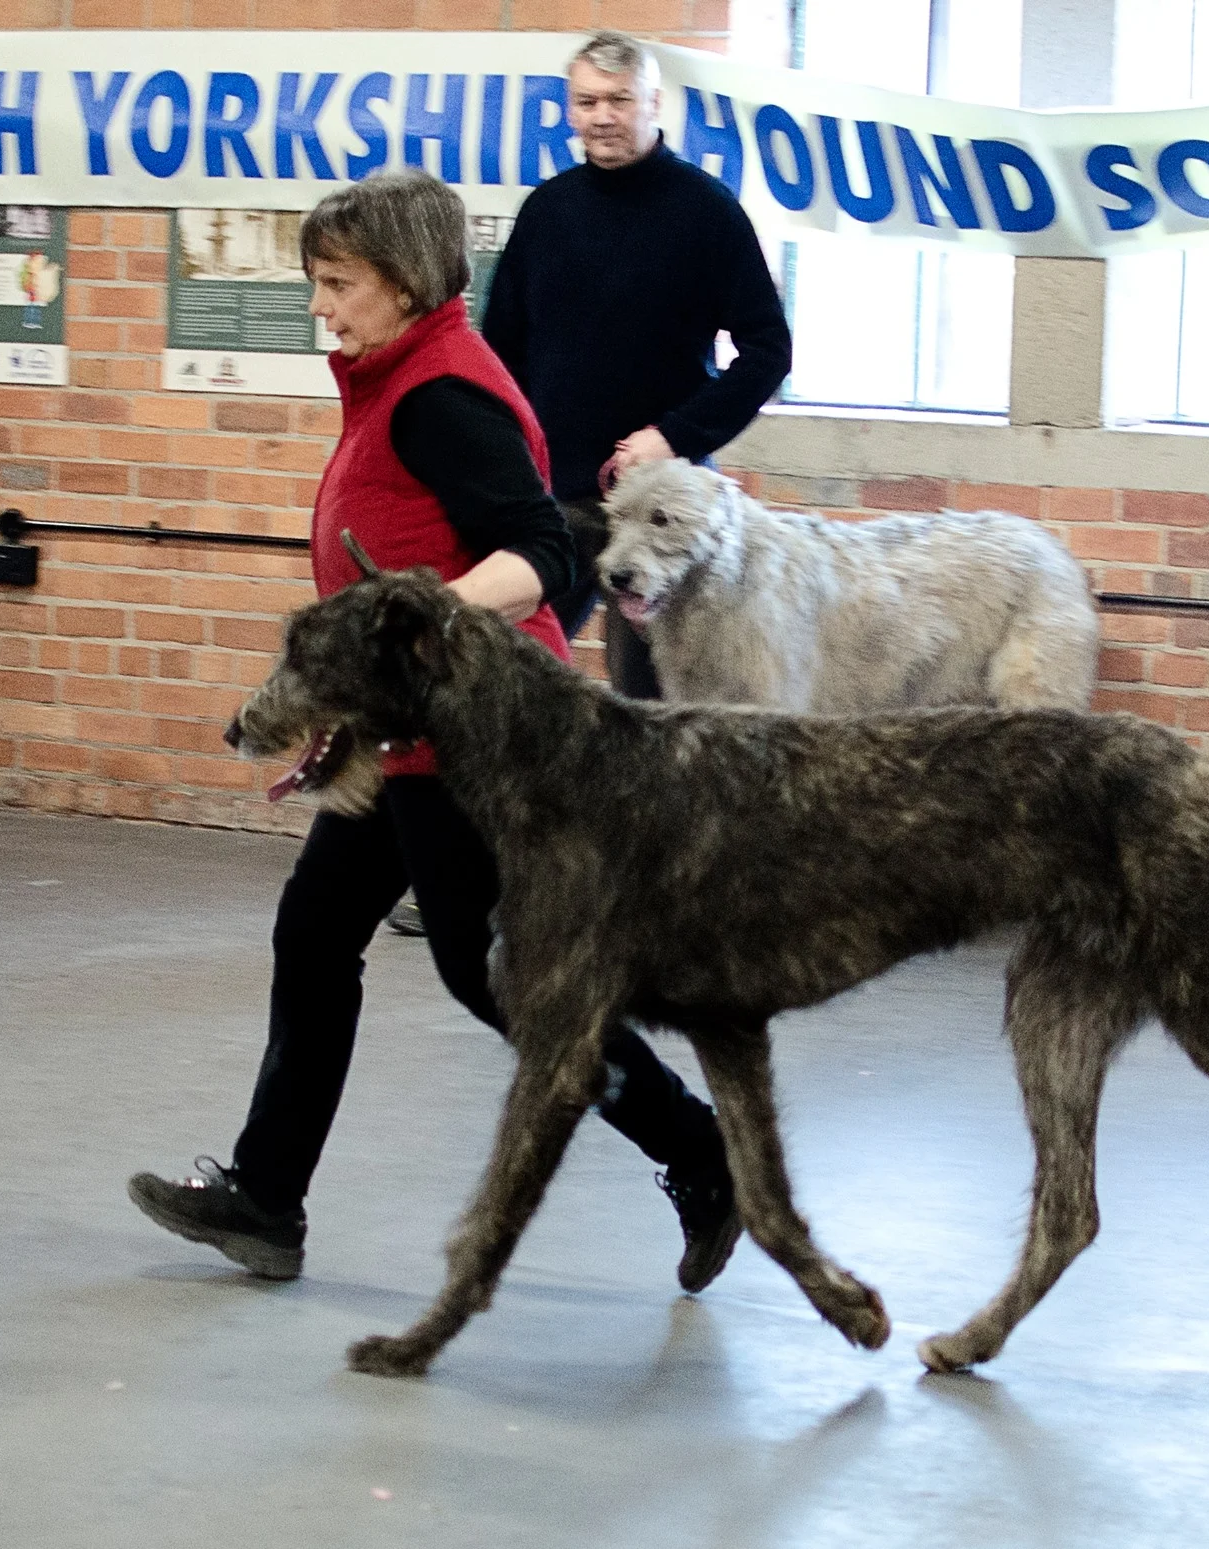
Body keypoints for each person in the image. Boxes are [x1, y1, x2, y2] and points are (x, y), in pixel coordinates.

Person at [128, 173, 741, 1295]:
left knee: (495, 980)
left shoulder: (438, 393)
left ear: (405, 283)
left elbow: (544, 555)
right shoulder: (398, 375)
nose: (322, 306)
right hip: (404, 731)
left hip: (477, 742)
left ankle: (702, 1150)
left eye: (338, 283)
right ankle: (267, 1198)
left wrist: (414, 626)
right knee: (315, 932)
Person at [482, 28, 792, 700]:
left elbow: (770, 352)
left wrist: (674, 437)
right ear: (569, 108)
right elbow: (496, 353)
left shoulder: (707, 213)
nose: (601, 117)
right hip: (553, 503)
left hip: (659, 510)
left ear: (653, 102)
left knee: (651, 707)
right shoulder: (546, 211)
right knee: (509, 689)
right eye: (586, 101)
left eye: (618, 100)